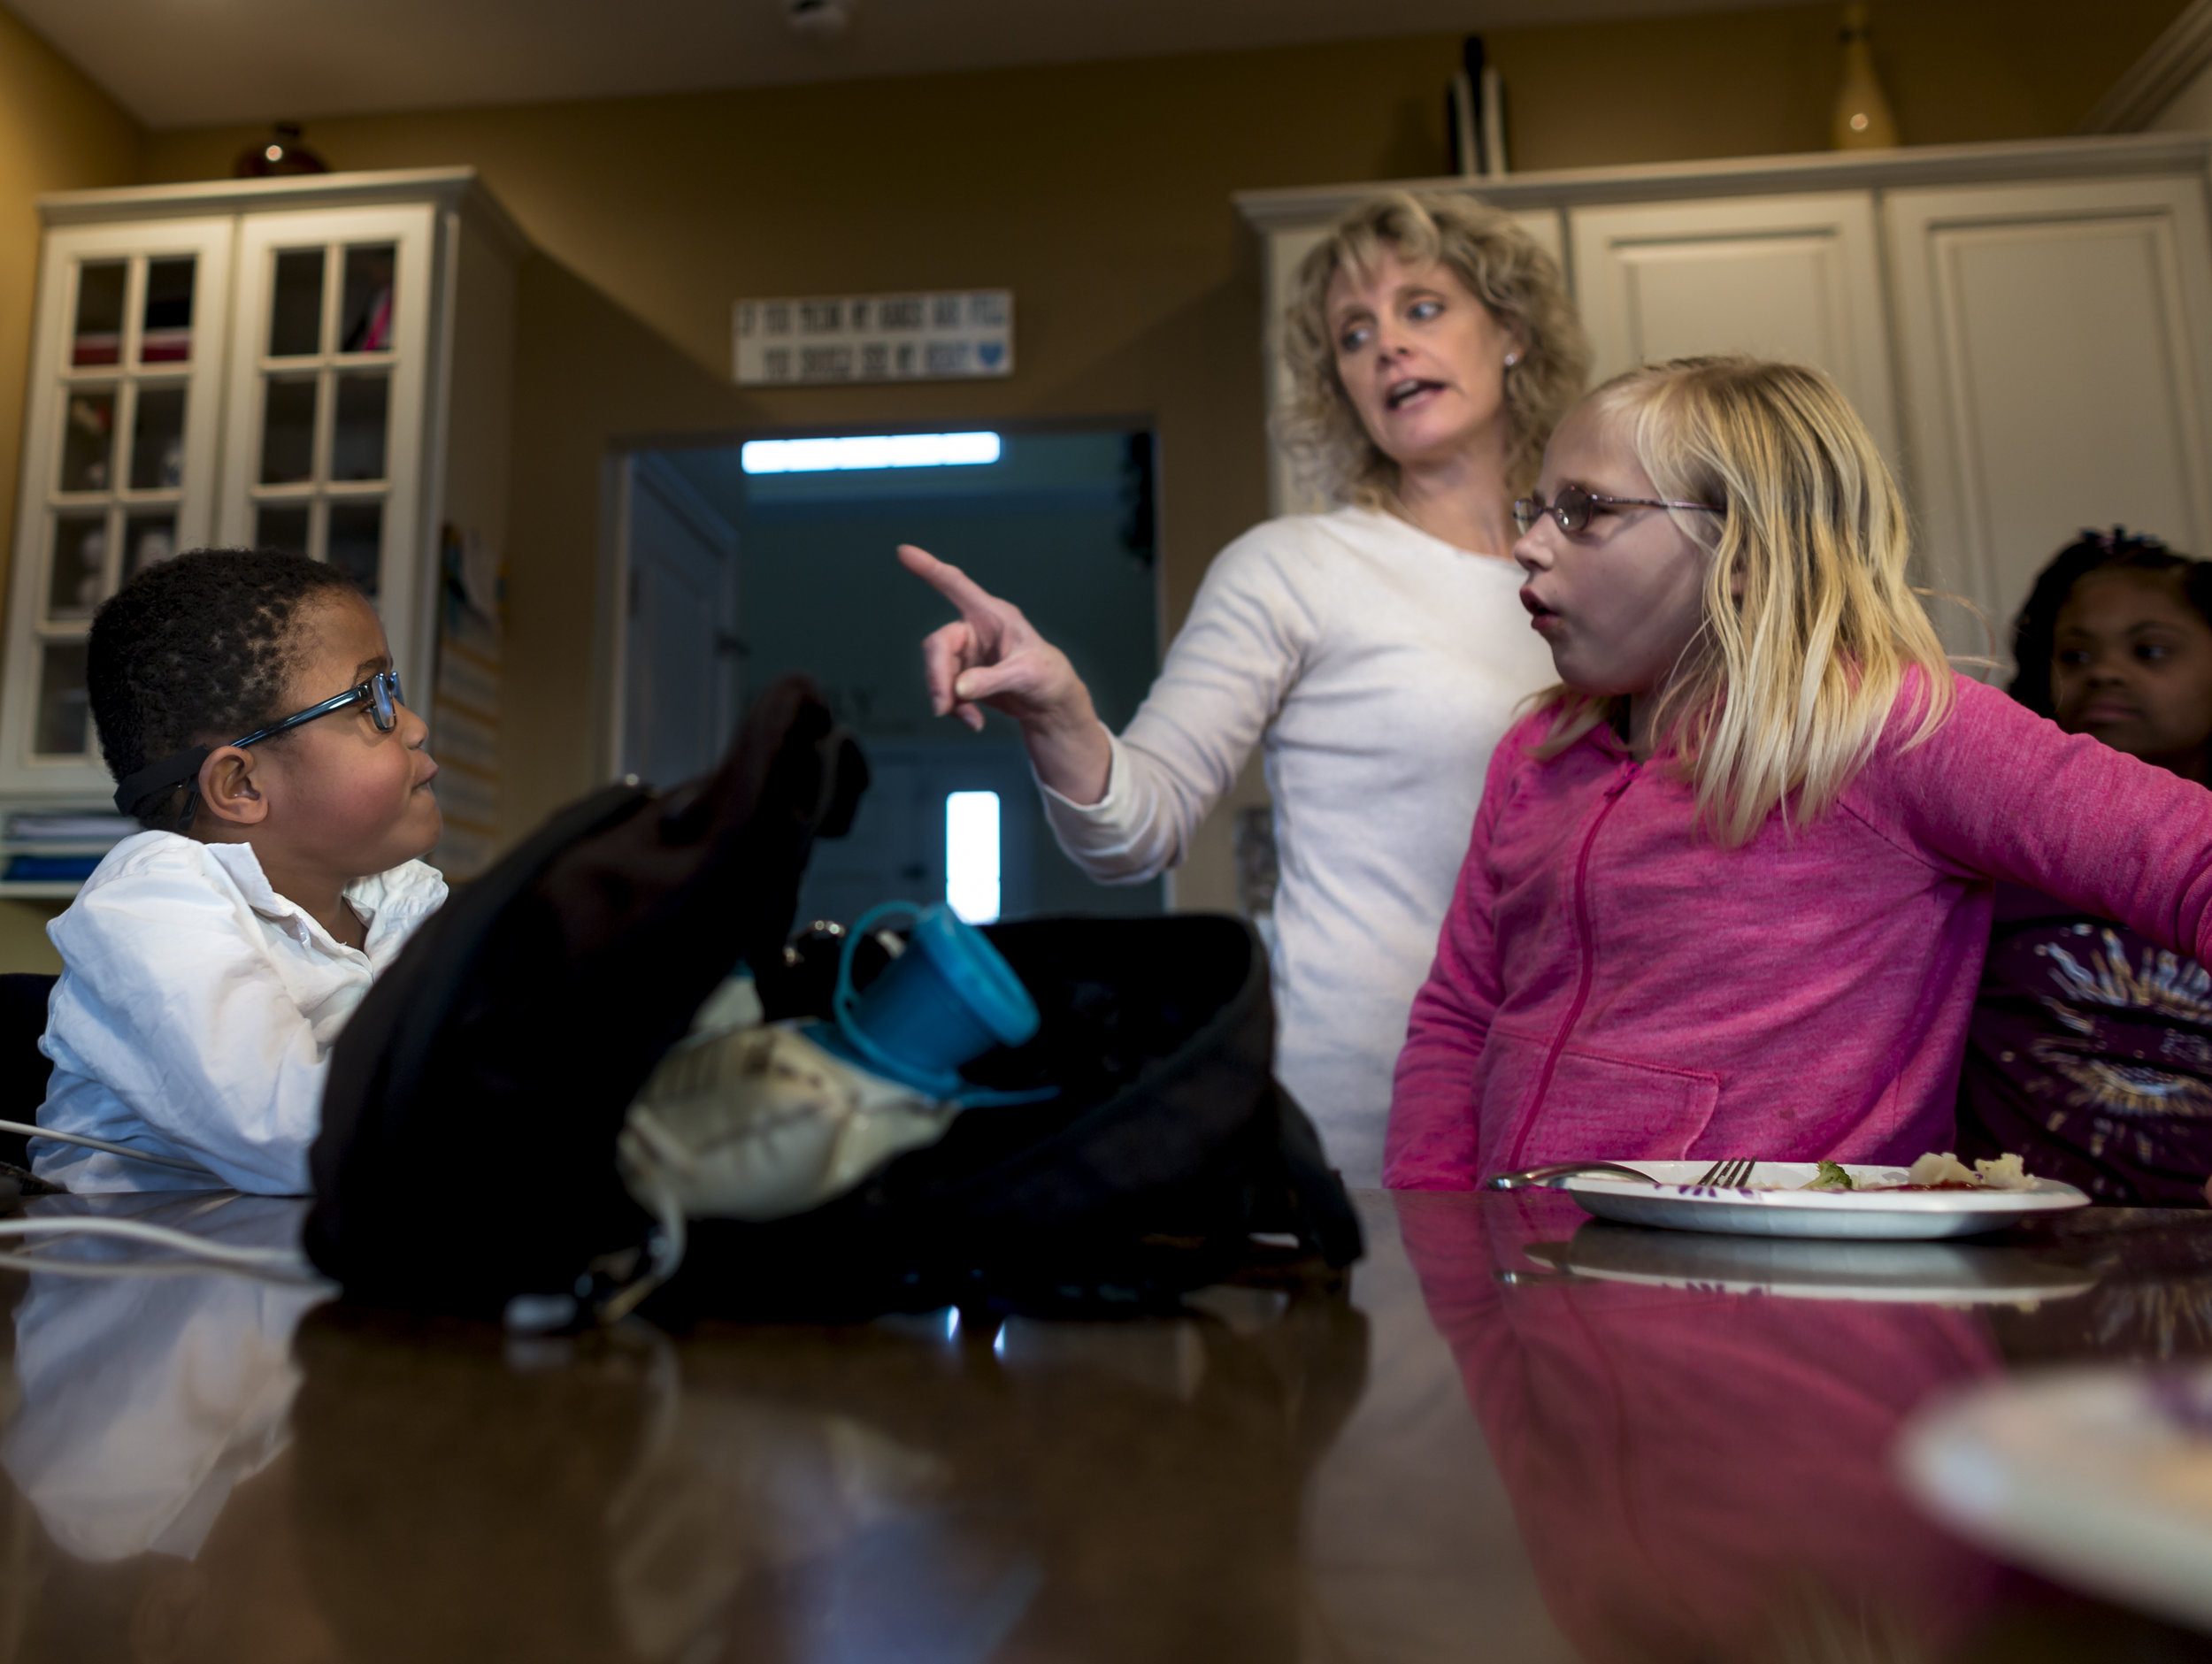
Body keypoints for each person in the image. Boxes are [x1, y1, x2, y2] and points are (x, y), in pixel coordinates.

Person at [1386, 357, 2212, 1187]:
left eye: (1583, 511)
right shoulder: (1537, 753)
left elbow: (2190, 857)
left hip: (1794, 1300)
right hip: (1534, 1284)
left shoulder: (1891, 727)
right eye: (1537, 509)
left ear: (1744, 547)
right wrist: (1437, 1226)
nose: (1526, 545)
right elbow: (1461, 1015)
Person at [900, 191, 1589, 1185]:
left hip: (1589, 1095)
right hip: (1363, 1105)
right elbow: (1135, 828)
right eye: (1353, 334)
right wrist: (1061, 710)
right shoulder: (1292, 567)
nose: (1387, 346)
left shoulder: (1596, 571)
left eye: (1422, 308)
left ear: (1511, 332)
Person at [34, 548, 446, 1193]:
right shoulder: (149, 903)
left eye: (394, 690)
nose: (416, 727)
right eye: (372, 699)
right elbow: (302, 1133)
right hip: (136, 1275)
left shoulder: (404, 900)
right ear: (241, 783)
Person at [1956, 531, 2212, 1204]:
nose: (2104, 672)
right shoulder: (1986, 854)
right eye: (2075, 654)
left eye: (2150, 650)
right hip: (2019, 1242)